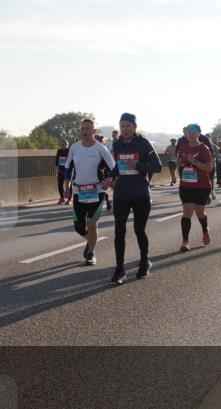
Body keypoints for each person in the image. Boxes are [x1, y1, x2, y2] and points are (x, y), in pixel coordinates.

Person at [108, 113, 162, 284]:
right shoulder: (117, 145)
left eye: (128, 126)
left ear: (134, 127)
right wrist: (110, 177)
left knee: (139, 230)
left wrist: (137, 165)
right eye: (122, 126)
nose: (125, 129)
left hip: (140, 194)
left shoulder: (143, 143)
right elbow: (118, 166)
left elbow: (157, 167)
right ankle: (120, 269)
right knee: (119, 230)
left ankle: (145, 262)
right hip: (121, 193)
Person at [63, 119, 115, 266]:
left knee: (92, 223)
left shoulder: (101, 149)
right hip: (78, 192)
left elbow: (114, 168)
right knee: (79, 227)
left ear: (94, 131)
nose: (84, 131)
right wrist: (66, 189)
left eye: (88, 129)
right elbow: (68, 170)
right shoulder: (74, 148)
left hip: (96, 191)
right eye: (83, 129)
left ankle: (91, 253)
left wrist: (108, 181)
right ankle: (91, 240)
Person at [177, 124, 214, 251]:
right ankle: (185, 242)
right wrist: (180, 163)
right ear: (186, 134)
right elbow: (181, 163)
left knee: (199, 212)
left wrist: (194, 161)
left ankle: (205, 230)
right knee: (187, 211)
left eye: (193, 131)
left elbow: (209, 168)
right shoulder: (183, 147)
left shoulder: (204, 148)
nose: (190, 134)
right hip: (186, 185)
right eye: (188, 131)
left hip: (202, 186)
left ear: (199, 133)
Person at [55, 138, 71, 205]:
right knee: (60, 185)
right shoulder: (59, 151)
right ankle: (62, 198)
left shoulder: (69, 151)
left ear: (67, 145)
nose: (63, 145)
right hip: (61, 170)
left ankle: (69, 199)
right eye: (62, 144)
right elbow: (57, 160)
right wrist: (57, 169)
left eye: (64, 144)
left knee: (68, 186)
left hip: (67, 170)